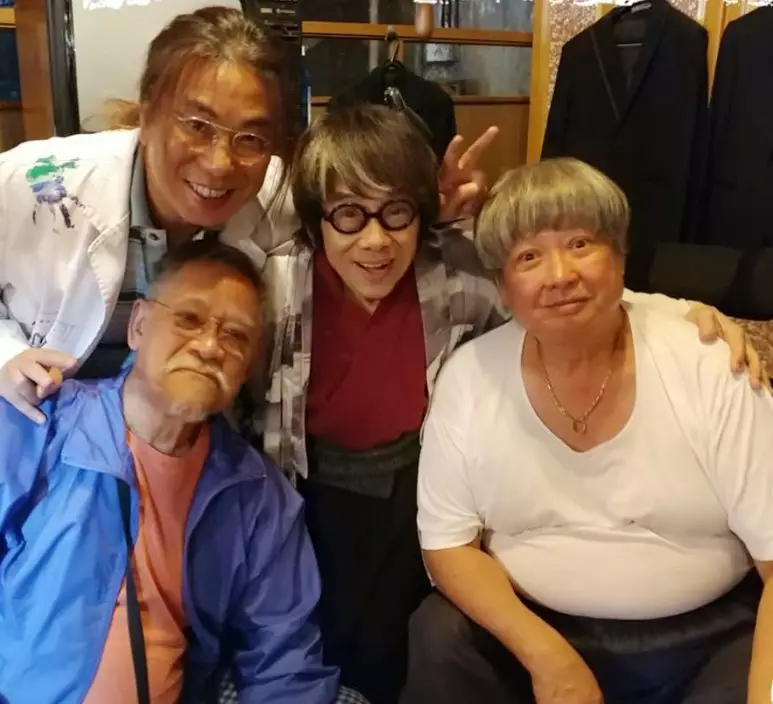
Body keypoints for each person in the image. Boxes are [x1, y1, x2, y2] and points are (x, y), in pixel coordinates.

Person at [253, 106, 767, 704]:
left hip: (408, 486)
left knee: (399, 649)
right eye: (348, 214)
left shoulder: (457, 275)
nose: (374, 239)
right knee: (348, 650)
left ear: (422, 215)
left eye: (396, 212)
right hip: (309, 488)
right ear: (316, 221)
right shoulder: (277, 287)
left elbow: (569, 290)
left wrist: (682, 313)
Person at [0, 5, 490, 423]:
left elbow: (355, 223)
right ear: (147, 115)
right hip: (41, 431)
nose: (220, 163)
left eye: (251, 138)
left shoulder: (275, 195)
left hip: (188, 441)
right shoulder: (36, 183)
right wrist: (7, 355)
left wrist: (430, 208)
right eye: (198, 125)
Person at [404, 158, 773, 704]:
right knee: (439, 634)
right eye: (529, 257)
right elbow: (447, 546)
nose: (560, 275)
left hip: (707, 642)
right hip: (532, 632)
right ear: (502, 286)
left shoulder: (710, 363)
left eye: (580, 244)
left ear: (620, 257)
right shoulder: (469, 378)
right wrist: (548, 658)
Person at [0, 239, 356, 704]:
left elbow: (284, 664)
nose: (209, 347)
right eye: (188, 319)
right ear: (139, 325)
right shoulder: (40, 424)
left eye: (235, 336)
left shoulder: (258, 498)